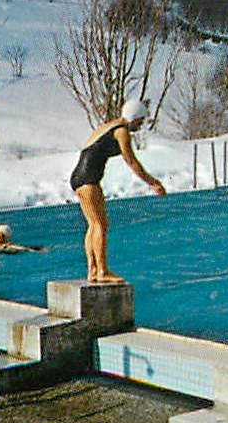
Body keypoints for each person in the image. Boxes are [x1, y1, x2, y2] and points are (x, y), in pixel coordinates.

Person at [70, 97, 164, 284]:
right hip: (88, 180)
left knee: (94, 225)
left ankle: (93, 270)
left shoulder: (109, 126)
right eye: (141, 121)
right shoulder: (121, 131)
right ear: (135, 117)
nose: (141, 125)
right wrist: (153, 183)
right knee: (100, 225)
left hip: (79, 178)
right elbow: (131, 161)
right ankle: (103, 271)